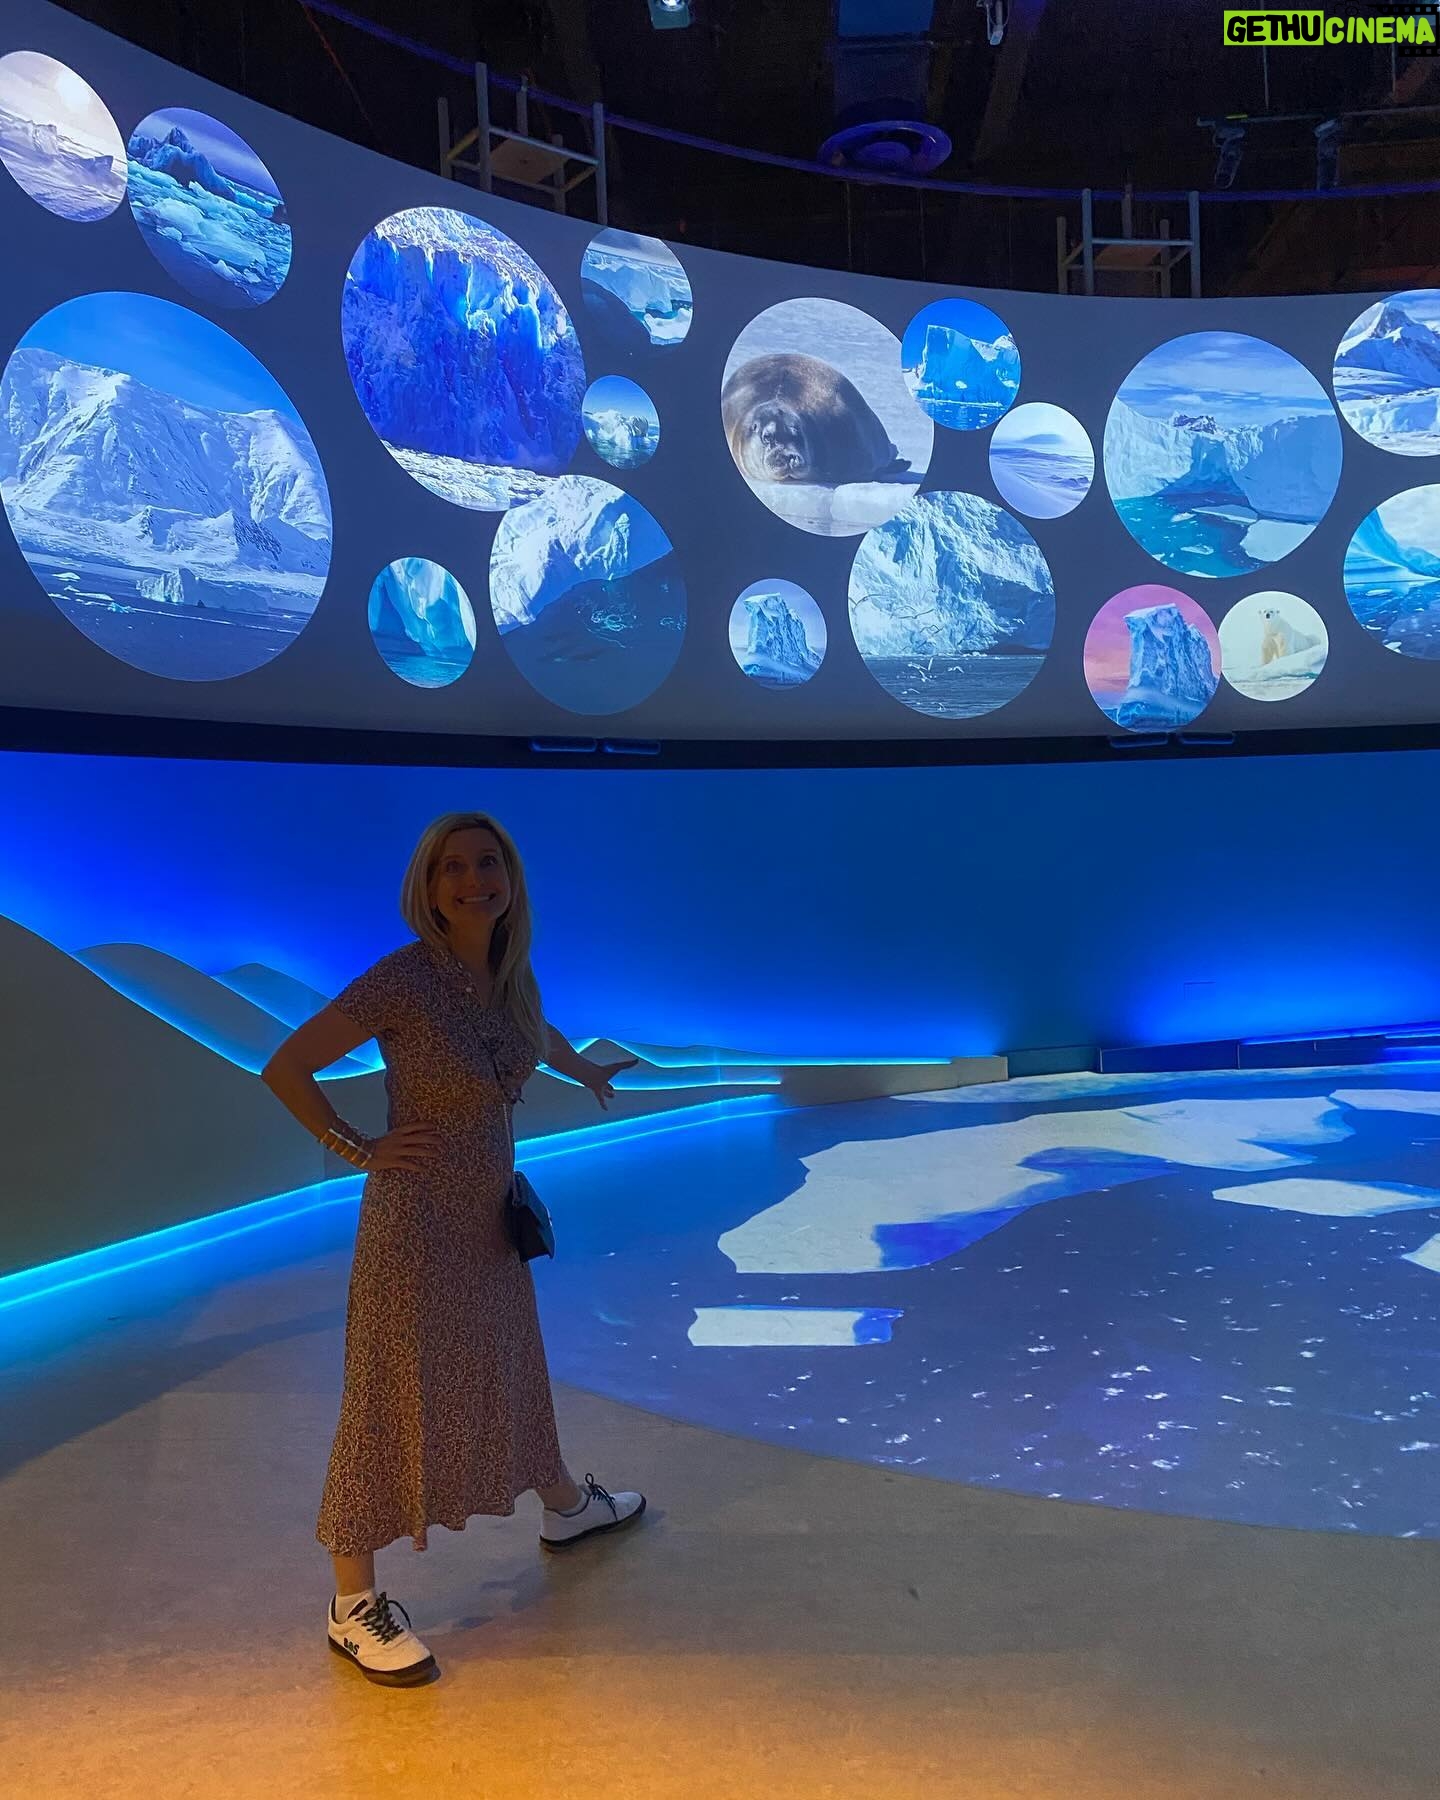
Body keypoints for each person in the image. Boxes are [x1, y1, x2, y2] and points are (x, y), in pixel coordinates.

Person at [262, 810, 645, 1687]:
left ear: (510, 878)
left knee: (512, 1366)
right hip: (414, 1227)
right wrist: (358, 1146)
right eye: (453, 868)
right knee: (385, 1397)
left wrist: (584, 1068)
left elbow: (530, 1031)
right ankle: (353, 1603)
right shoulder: (400, 980)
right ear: (427, 888)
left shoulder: (509, 973)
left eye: (488, 863)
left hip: (490, 1219)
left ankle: (566, 1507)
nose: (474, 880)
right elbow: (285, 1066)